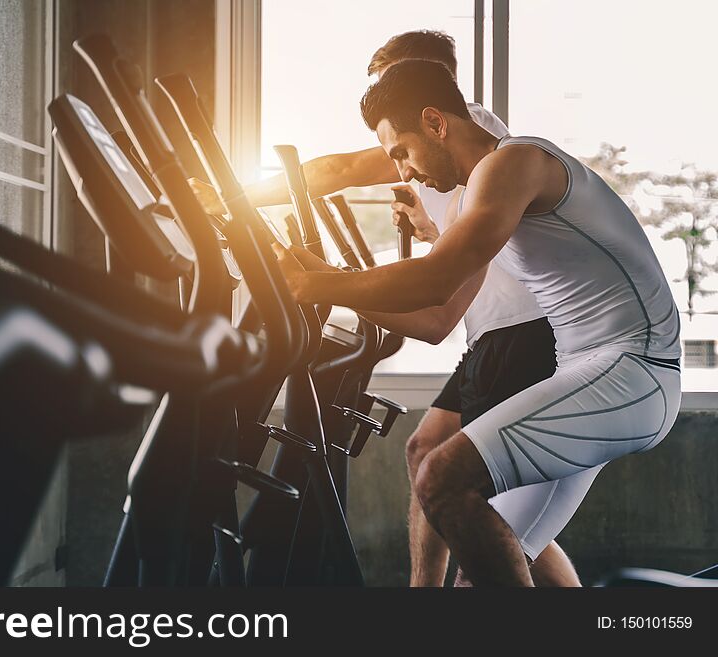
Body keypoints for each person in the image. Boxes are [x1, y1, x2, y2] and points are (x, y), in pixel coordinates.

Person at [192, 30, 581, 587]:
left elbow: (338, 172)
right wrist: (426, 230)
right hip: (493, 334)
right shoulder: (462, 151)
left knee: (493, 522)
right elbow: (465, 252)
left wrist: (228, 198)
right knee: (430, 455)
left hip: (521, 336)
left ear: (424, 91)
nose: (382, 99)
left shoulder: (462, 132)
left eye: (388, 84)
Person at [272, 58, 682, 586]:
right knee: (477, 575)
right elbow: (434, 317)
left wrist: (314, 284)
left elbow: (434, 279)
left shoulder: (516, 163)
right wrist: (320, 276)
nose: (403, 172)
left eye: (401, 152)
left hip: (633, 371)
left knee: (440, 477)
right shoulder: (478, 197)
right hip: (587, 380)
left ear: (436, 123)